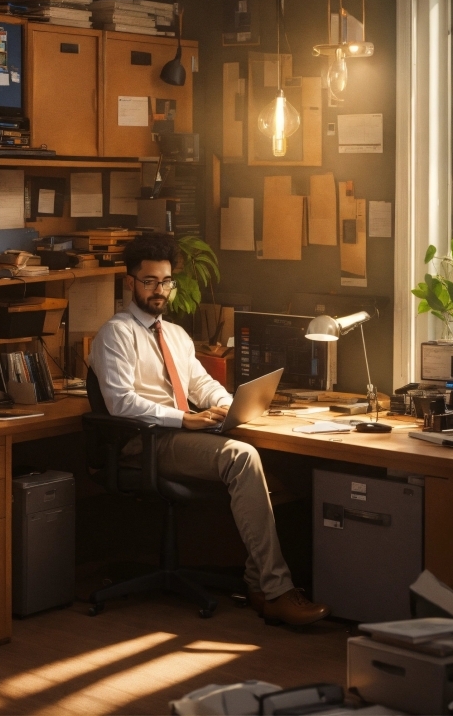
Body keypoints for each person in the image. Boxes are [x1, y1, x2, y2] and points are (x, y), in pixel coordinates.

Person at [88, 232, 330, 626]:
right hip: (144, 441)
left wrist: (228, 403)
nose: (159, 290)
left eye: (166, 281)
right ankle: (276, 590)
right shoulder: (116, 334)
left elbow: (200, 384)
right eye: (149, 281)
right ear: (129, 282)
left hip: (178, 437)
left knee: (272, 458)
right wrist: (184, 418)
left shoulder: (176, 335)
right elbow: (121, 403)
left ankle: (258, 583)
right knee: (241, 456)